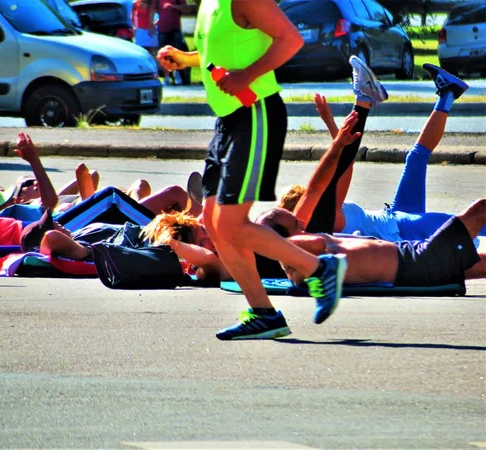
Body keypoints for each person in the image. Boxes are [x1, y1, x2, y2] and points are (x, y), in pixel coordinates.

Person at [156, 0, 350, 340]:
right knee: (215, 224)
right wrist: (187, 59)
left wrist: (246, 76)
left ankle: (320, 268)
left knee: (232, 222)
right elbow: (224, 55)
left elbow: (290, 40)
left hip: (256, 115)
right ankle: (264, 314)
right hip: (228, 122)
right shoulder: (209, 5)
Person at [279, 62, 485, 243]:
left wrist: (330, 123)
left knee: (415, 157)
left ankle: (448, 93)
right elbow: (344, 165)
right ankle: (366, 97)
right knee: (468, 223)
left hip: (395, 217)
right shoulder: (330, 218)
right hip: (400, 230)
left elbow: (341, 160)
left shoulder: (324, 218)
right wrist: (333, 126)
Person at [260, 199, 486, 289]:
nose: (301, 221)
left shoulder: (301, 256)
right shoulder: (299, 258)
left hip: (411, 255)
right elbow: (318, 243)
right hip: (416, 263)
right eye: (295, 224)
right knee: (481, 209)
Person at [150, 0, 190, 85]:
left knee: (177, 54)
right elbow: (153, 9)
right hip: (162, 30)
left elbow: (185, 7)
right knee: (163, 55)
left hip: (175, 29)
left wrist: (173, 7)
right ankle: (167, 77)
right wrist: (151, 25)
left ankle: (178, 75)